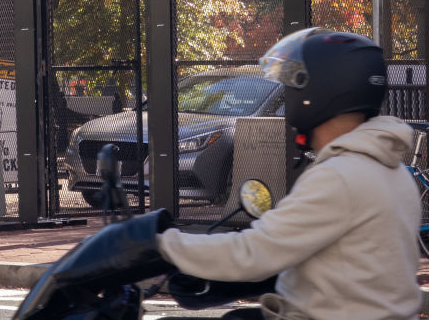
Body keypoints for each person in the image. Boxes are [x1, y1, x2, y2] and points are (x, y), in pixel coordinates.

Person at [157, 28, 422, 319]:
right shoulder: (392, 171)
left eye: (293, 86)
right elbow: (347, 264)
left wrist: (159, 246)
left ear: (318, 92)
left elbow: (253, 251)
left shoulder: (340, 176)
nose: (289, 96)